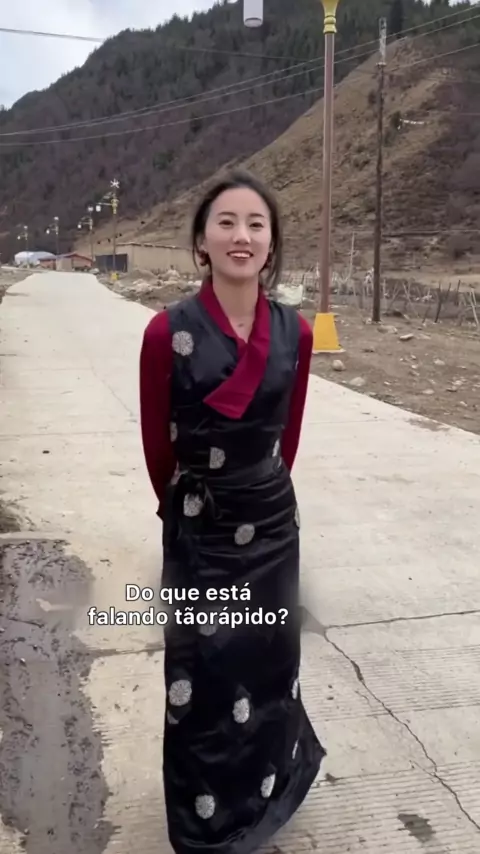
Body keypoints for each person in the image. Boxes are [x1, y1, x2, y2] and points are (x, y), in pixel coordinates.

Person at [139, 170, 325, 854]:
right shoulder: (167, 332)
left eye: (255, 224)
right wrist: (189, 511)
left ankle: (262, 800)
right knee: (204, 673)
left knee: (270, 665)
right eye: (226, 222)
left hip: (272, 527)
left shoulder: (296, 332)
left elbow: (288, 435)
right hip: (201, 530)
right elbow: (157, 447)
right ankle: (205, 828)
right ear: (202, 242)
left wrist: (260, 494)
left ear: (271, 243)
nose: (241, 235)